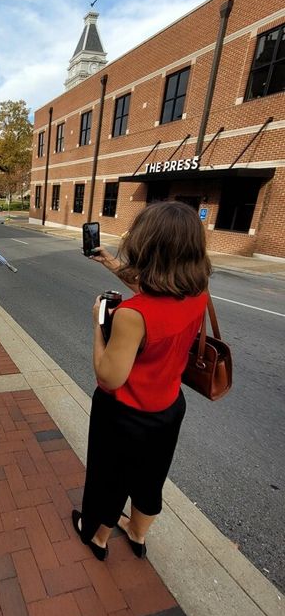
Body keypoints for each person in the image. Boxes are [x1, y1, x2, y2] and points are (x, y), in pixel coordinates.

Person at [72, 201, 211, 561]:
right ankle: (136, 534)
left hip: (125, 414)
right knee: (151, 478)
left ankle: (98, 539)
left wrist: (98, 323)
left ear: (148, 247)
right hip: (168, 408)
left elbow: (109, 378)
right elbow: (155, 286)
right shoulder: (198, 291)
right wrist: (111, 264)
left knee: (109, 479)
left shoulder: (134, 315)